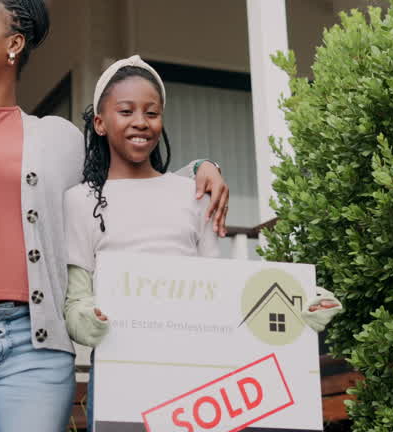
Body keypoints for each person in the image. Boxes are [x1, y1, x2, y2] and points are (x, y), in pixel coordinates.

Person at [0, 0, 234, 432]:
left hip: (38, 349)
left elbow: (125, 184)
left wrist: (203, 168)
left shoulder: (61, 139)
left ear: (14, 45)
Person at [62, 56, 345, 428]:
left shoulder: (193, 194)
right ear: (100, 123)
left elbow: (219, 293)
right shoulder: (80, 200)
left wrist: (298, 305)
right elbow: (77, 298)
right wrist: (88, 320)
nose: (141, 123)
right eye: (126, 111)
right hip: (121, 372)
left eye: (152, 112)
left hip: (191, 368)